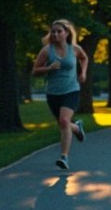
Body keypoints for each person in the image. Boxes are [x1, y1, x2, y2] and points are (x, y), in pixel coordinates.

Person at [32, 19, 89, 170]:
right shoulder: (46, 51)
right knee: (63, 124)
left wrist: (83, 73)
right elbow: (34, 71)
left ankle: (64, 157)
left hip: (71, 90)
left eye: (59, 31)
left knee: (64, 121)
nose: (55, 34)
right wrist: (48, 68)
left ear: (67, 33)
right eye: (53, 31)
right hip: (53, 93)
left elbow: (84, 58)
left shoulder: (74, 49)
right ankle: (76, 128)